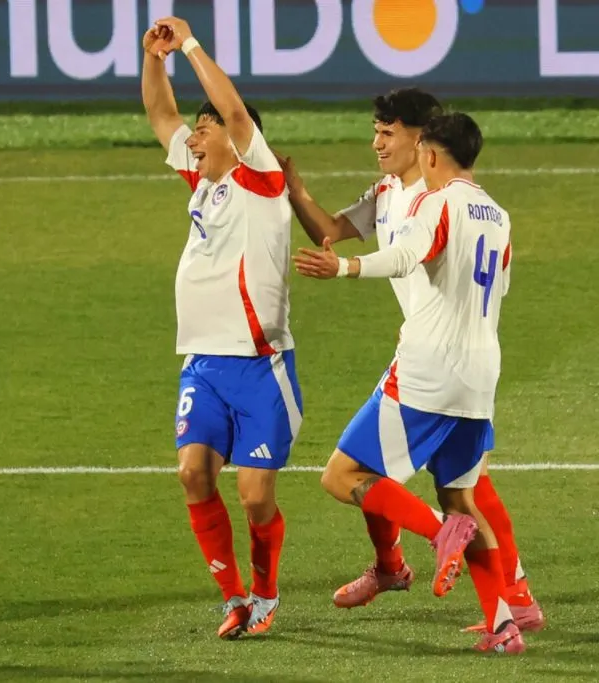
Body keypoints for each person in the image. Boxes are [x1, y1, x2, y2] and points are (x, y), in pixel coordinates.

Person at [278, 88, 543, 633]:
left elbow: (405, 256)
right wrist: (296, 192)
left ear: (425, 143)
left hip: (431, 357)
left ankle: (507, 591)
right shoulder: (398, 193)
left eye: (388, 131)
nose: (377, 142)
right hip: (471, 360)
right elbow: (329, 231)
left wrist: (349, 269)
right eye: (375, 130)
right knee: (459, 493)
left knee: (364, 475)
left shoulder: (434, 197)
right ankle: (489, 609)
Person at [141, 18, 301, 638]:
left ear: (241, 141)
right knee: (192, 474)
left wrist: (190, 45)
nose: (194, 137)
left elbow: (233, 113)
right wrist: (155, 58)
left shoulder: (260, 183)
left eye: (204, 130)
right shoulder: (203, 183)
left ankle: (266, 592)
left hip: (261, 367)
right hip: (202, 364)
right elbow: (160, 114)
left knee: (257, 497)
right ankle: (235, 597)